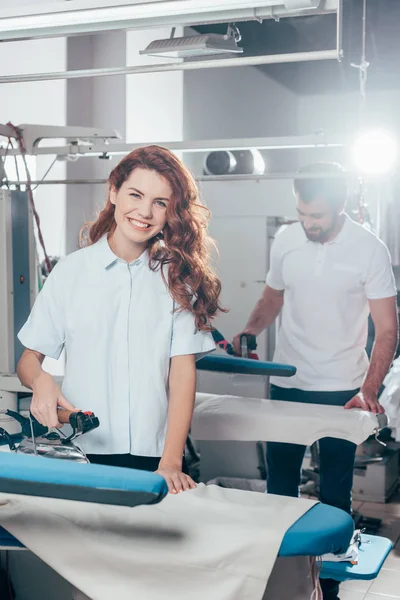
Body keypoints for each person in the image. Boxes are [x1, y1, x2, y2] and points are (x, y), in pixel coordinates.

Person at [17, 145, 225, 494]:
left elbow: (182, 373)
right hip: (83, 453)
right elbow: (28, 360)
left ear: (171, 212)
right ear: (113, 191)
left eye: (160, 202)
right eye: (135, 194)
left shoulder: (176, 280)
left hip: (158, 458)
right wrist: (41, 381)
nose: (144, 211)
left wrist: (171, 462)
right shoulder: (70, 273)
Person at [233, 162, 399, 600]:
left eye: (317, 216)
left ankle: (329, 585)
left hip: (343, 388)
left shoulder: (370, 250)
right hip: (288, 381)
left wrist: (369, 388)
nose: (308, 223)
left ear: (341, 206)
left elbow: (387, 328)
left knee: (334, 492)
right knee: (280, 488)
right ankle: (280, 579)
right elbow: (273, 296)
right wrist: (251, 328)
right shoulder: (287, 239)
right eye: (303, 213)